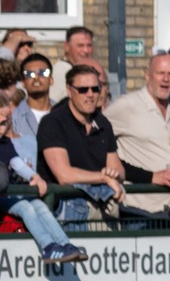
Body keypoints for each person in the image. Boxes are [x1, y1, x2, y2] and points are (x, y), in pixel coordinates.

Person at [0, 94, 87, 263]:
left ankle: (64, 243)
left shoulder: (5, 142)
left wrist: (34, 176)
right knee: (25, 207)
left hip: (8, 193)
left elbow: (16, 163)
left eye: (4, 123)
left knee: (40, 205)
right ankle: (48, 247)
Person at [103, 53, 170, 228]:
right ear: (147, 75)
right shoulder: (128, 105)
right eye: (160, 73)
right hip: (136, 211)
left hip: (169, 211)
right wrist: (150, 177)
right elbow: (94, 136)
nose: (166, 79)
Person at [35, 64, 123, 226]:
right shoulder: (53, 122)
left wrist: (112, 174)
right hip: (67, 213)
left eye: (95, 89)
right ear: (69, 91)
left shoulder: (103, 123)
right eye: (83, 90)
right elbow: (64, 176)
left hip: (103, 209)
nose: (90, 94)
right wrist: (103, 177)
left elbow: (118, 169)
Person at [49, 25, 96, 100]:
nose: (86, 50)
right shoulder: (60, 72)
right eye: (80, 46)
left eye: (89, 45)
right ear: (66, 47)